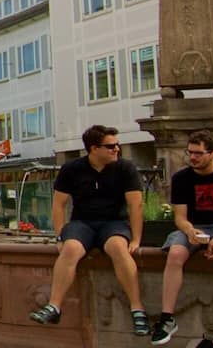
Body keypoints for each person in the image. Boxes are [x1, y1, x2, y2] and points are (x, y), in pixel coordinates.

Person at [29, 125, 149, 338]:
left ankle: (137, 308)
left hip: (114, 222)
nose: (117, 150)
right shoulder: (72, 168)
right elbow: (59, 204)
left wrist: (137, 239)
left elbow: (136, 205)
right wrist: (59, 235)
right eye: (111, 146)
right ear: (94, 149)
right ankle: (54, 306)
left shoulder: (125, 168)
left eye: (117, 145)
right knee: (71, 248)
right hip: (82, 222)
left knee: (118, 248)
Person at [151, 131, 213, 345]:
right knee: (175, 254)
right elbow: (180, 217)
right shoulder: (181, 178)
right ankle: (167, 318)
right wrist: (189, 231)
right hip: (195, 228)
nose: (192, 157)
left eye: (198, 153)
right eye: (190, 152)